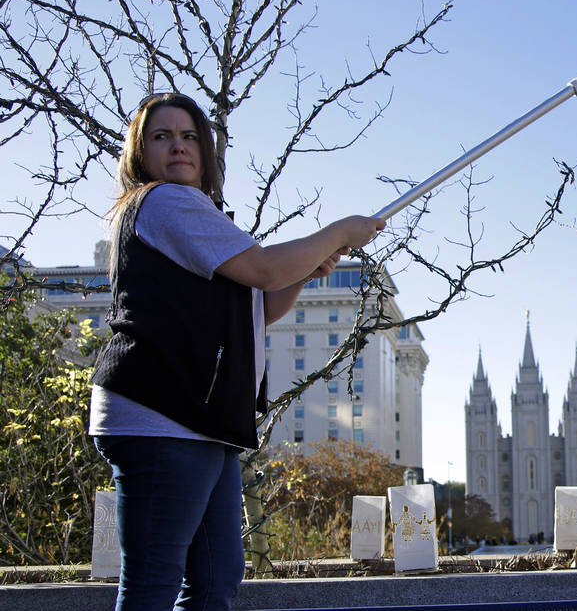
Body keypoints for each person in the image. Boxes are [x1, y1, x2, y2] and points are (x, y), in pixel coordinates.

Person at [88, 92, 384, 610]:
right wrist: (338, 231)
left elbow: (258, 306)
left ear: (204, 150)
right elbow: (265, 268)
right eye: (161, 137)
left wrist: (308, 270)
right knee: (155, 583)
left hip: (202, 420)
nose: (177, 146)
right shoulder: (163, 201)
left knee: (214, 577)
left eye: (188, 136)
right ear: (140, 153)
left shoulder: (197, 213)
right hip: (163, 416)